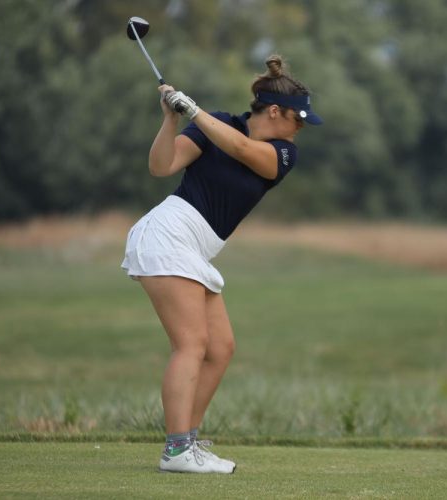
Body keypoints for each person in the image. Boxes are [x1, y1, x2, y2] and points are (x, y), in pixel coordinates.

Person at [121, 55, 322, 474]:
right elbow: (162, 166)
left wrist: (193, 111)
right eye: (297, 119)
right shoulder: (215, 122)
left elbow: (242, 148)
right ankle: (177, 450)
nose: (300, 127)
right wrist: (172, 120)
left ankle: (188, 442)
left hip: (195, 248)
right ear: (274, 111)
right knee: (192, 345)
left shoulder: (283, 153)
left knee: (221, 348)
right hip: (169, 233)